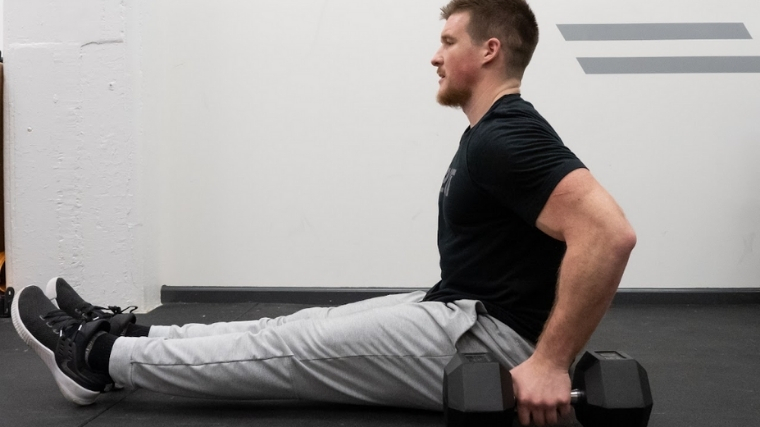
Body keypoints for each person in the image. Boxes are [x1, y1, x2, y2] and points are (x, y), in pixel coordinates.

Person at [12, 1, 636, 425]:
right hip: (461, 310)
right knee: (286, 328)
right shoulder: (492, 133)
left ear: (490, 50)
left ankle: (93, 362)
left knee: (288, 349)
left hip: (489, 342)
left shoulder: (508, 135)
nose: (435, 56)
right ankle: (127, 335)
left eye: (448, 41)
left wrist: (549, 363)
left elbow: (608, 235)